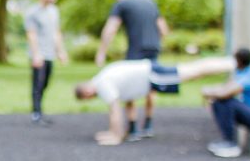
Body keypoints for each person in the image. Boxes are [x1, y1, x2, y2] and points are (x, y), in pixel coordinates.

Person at [75, 56, 236, 146]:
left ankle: (231, 63)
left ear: (87, 92)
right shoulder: (101, 78)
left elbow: (115, 110)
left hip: (151, 75)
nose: (91, 99)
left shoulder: (102, 84)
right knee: (191, 71)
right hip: (148, 71)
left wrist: (116, 136)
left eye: (87, 98)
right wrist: (112, 132)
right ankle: (230, 63)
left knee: (192, 72)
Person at [95, 0, 169, 141]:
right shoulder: (151, 2)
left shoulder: (122, 4)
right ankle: (148, 125)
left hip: (136, 49)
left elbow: (110, 29)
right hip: (153, 48)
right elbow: (164, 29)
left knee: (129, 83)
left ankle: (133, 127)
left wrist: (101, 52)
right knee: (151, 84)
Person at [200, 47, 250, 158]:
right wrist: (213, 92)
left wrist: (208, 92)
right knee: (219, 102)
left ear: (239, 60)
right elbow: (226, 87)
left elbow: (226, 93)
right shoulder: (243, 71)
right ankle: (227, 140)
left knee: (226, 102)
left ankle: (230, 143)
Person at [24, 0, 69, 126]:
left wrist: (61, 51)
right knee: (38, 83)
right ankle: (36, 113)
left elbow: (56, 33)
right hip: (39, 54)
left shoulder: (54, 11)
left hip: (50, 53)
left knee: (46, 83)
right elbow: (31, 34)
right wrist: (36, 54)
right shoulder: (32, 12)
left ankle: (40, 110)